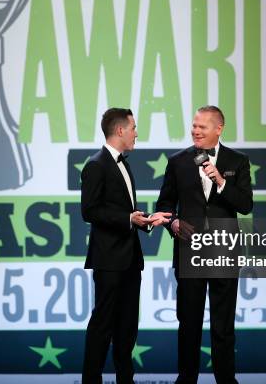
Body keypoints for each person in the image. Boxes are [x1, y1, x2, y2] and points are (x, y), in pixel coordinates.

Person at [156, 105, 253, 384]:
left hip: (224, 250)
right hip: (190, 251)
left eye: (202, 127)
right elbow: (164, 205)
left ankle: (226, 379)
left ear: (219, 128)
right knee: (189, 323)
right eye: (194, 126)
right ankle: (187, 378)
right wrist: (172, 222)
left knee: (223, 325)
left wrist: (221, 181)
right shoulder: (177, 161)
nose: (195, 131)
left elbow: (245, 205)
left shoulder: (238, 160)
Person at [81, 108, 170, 384]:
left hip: (130, 259)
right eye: (133, 127)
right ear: (120, 130)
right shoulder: (96, 164)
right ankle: (91, 380)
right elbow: (90, 211)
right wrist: (126, 218)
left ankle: (125, 379)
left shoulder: (125, 163)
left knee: (128, 326)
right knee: (103, 324)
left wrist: (141, 221)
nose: (136, 133)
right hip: (109, 260)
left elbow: (121, 210)